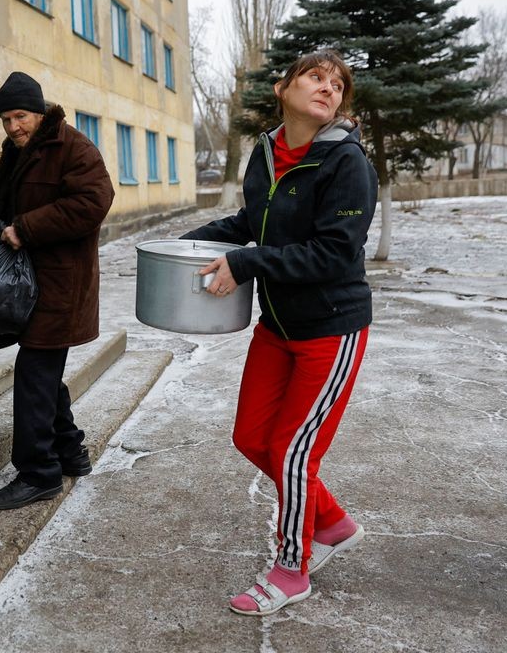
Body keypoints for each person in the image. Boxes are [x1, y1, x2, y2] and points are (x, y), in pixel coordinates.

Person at [181, 50, 377, 616]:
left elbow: (336, 253)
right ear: (282, 88)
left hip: (330, 330)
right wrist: (188, 246)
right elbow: (250, 224)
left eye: (338, 84)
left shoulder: (347, 163)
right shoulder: (265, 154)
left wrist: (246, 263)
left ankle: (291, 568)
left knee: (292, 452)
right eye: (316, 77)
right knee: (251, 437)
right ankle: (334, 522)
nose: (329, 88)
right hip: (278, 326)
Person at [0, 71, 114, 510]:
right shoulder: (21, 153)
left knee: (34, 374)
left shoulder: (72, 147)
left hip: (60, 286)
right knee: (43, 374)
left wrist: (27, 230)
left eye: (20, 116)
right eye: (5, 118)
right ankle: (70, 450)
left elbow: (95, 201)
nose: (13, 126)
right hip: (31, 287)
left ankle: (39, 473)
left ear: (39, 111)